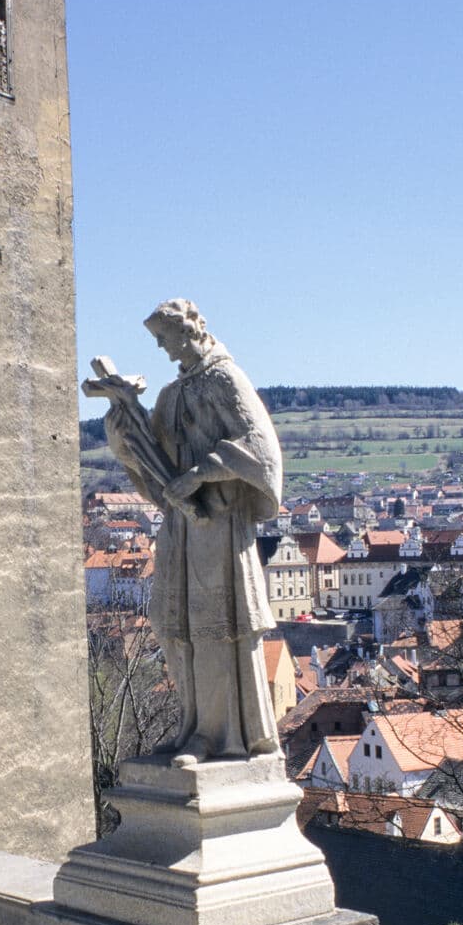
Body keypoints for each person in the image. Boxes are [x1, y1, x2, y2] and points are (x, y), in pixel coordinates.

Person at [104, 299, 282, 761]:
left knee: (214, 628)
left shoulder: (225, 379)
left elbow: (261, 447)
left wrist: (202, 473)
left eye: (165, 338)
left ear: (189, 331)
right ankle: (193, 726)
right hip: (181, 528)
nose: (162, 349)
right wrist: (124, 438)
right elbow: (155, 471)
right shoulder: (170, 394)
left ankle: (219, 735)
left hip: (218, 525)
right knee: (174, 627)